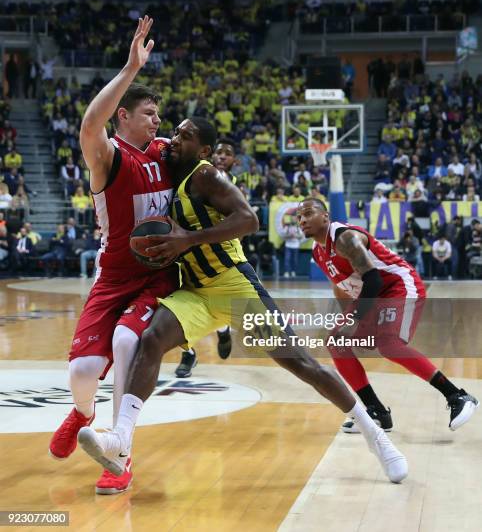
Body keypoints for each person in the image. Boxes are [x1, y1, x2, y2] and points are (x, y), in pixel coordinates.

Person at [78, 118, 409, 486]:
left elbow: (249, 220)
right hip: (196, 290)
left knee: (301, 365)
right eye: (176, 132)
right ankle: (120, 439)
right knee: (152, 339)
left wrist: (187, 240)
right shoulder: (170, 172)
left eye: (185, 137)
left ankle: (375, 437)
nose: (175, 138)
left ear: (203, 151)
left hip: (235, 288)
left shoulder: (206, 176)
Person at [48, 17, 178, 495]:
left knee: (127, 344)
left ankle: (120, 457)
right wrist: (129, 69)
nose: (156, 122)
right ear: (123, 117)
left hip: (157, 278)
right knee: (81, 373)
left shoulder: (168, 153)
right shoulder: (109, 156)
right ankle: (84, 413)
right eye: (148, 114)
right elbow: (88, 124)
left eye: (159, 117)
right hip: (113, 275)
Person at [297, 198, 478, 434]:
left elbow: (374, 279)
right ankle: (377, 412)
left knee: (389, 345)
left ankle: (457, 396)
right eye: (299, 217)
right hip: (371, 294)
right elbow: (339, 286)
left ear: (325, 216)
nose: (302, 220)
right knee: (337, 341)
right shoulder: (318, 251)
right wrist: (349, 322)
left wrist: (355, 321)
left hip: (398, 285)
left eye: (308, 213)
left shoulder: (345, 238)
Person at [174, 139, 238, 378]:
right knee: (180, 299)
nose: (222, 156)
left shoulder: (231, 184)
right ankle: (188, 354)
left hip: (219, 253)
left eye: (227, 153)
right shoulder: (198, 176)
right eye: (219, 151)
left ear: (235, 161)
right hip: (186, 248)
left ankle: (223, 330)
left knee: (217, 302)